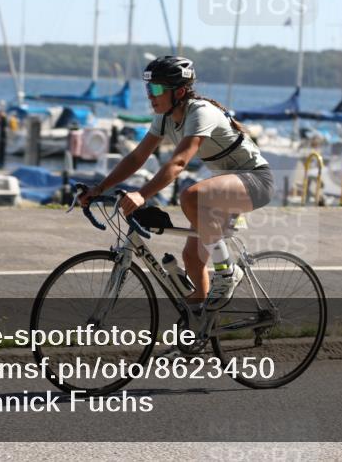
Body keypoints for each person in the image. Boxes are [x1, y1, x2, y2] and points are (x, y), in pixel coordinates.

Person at [81, 56, 274, 309]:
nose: (151, 95)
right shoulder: (164, 117)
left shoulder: (201, 112)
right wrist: (99, 188)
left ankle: (227, 272)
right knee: (192, 258)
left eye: (157, 89)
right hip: (227, 186)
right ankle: (199, 325)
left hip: (256, 180)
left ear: (180, 91)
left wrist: (142, 194)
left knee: (191, 196)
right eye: (148, 88)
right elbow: (137, 157)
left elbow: (179, 163)